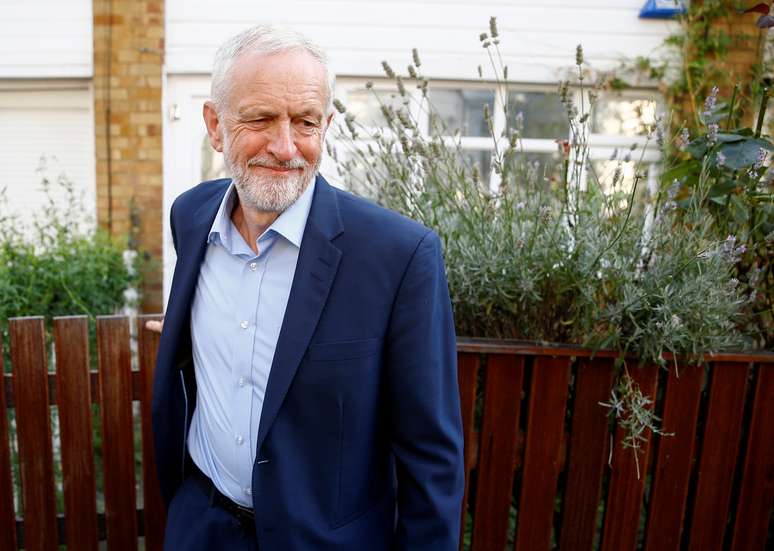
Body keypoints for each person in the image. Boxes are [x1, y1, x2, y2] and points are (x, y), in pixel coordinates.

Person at [149, 24, 464, 551]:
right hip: (201, 526)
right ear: (215, 124)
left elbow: (431, 458)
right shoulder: (191, 216)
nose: (285, 146)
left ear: (328, 125)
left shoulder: (399, 256)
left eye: (305, 122)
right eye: (260, 118)